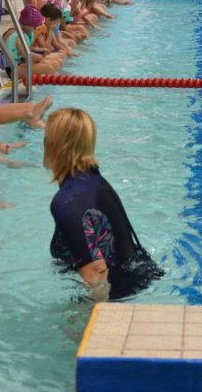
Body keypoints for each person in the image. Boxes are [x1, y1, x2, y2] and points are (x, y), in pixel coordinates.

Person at [44, 109, 163, 300]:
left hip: (118, 295)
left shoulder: (67, 201)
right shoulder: (92, 180)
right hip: (140, 279)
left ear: (54, 146)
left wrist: (87, 313)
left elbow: (97, 272)